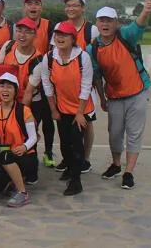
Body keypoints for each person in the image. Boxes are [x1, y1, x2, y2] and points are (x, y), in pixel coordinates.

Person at [90, 1, 151, 190]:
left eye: (109, 20)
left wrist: (145, 11)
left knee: (134, 133)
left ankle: (128, 172)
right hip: (114, 96)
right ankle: (116, 164)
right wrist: (102, 98)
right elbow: (97, 76)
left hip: (138, 91)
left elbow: (138, 24)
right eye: (102, 20)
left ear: (116, 23)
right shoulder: (93, 48)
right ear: (97, 23)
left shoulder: (125, 35)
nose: (105, 24)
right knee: (115, 133)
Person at [42, 21, 94, 196]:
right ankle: (70, 168)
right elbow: (47, 84)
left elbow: (86, 86)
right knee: (64, 143)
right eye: (58, 35)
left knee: (76, 143)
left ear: (73, 39)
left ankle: (76, 181)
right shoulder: (49, 58)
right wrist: (53, 110)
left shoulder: (82, 58)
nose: (60, 38)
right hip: (62, 108)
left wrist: (80, 113)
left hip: (81, 109)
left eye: (64, 35)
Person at [0, 17, 55, 168]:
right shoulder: (8, 46)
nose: (22, 35)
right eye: (19, 31)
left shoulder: (39, 60)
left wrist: (19, 115)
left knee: (27, 133)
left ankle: (29, 167)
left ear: (35, 35)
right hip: (7, 99)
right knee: (5, 134)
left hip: (29, 103)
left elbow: (29, 92)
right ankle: (6, 165)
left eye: (27, 32)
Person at [53, 0, 99, 174]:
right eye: (68, 5)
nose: (70, 8)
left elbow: (97, 57)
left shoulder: (91, 30)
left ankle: (85, 159)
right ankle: (68, 158)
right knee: (64, 125)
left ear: (83, 8)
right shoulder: (59, 27)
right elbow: (54, 54)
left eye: (75, 5)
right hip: (64, 84)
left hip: (85, 83)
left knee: (86, 123)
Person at [0, 73, 37, 208]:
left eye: (9, 87)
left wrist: (24, 147)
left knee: (6, 156)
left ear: (15, 91)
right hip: (5, 155)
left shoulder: (24, 111)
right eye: (2, 86)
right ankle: (13, 182)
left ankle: (22, 193)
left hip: (24, 155)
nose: (5, 90)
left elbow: (33, 137)